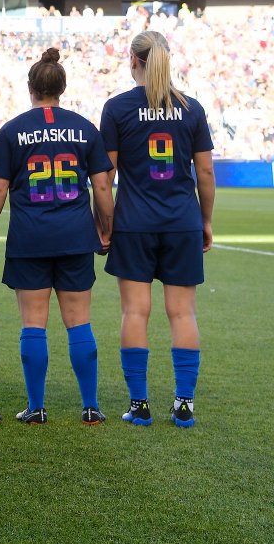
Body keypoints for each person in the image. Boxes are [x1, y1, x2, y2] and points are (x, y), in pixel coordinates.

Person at [0, 48, 115, 425]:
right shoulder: (84, 128)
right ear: (62, 87)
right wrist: (107, 226)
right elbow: (102, 186)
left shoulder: (12, 130)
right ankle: (90, 406)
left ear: (30, 88)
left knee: (33, 323)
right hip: (75, 235)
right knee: (80, 322)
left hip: (31, 237)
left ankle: (36, 407)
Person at [101, 31, 215, 428]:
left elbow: (106, 176)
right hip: (181, 221)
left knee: (135, 311)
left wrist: (105, 222)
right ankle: (184, 404)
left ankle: (140, 404)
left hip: (134, 222)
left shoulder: (117, 109)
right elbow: (204, 172)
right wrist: (205, 220)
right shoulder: (192, 108)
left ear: (132, 59)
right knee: (182, 313)